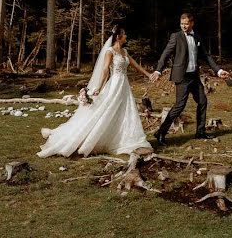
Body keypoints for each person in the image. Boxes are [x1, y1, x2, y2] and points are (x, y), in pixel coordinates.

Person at [37, 24, 153, 158]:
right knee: (107, 109)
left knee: (125, 110)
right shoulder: (110, 51)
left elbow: (136, 65)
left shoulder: (124, 52)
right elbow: (104, 69)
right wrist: (98, 87)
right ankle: (90, 137)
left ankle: (123, 137)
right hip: (115, 84)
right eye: (125, 34)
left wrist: (149, 75)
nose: (126, 36)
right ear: (119, 37)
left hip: (124, 85)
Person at [149, 12, 230, 146]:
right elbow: (165, 54)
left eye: (186, 24)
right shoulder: (176, 36)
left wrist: (219, 70)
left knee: (202, 101)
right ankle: (161, 132)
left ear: (192, 23)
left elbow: (206, 55)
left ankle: (200, 132)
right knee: (180, 106)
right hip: (182, 76)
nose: (184, 26)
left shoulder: (196, 37)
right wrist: (158, 70)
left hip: (194, 75)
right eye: (182, 24)